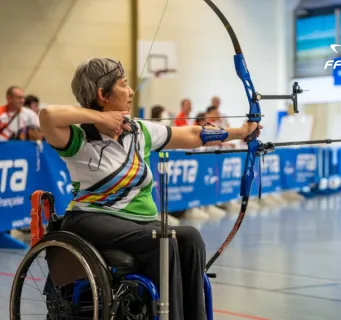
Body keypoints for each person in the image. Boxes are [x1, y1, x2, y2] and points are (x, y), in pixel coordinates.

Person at [38, 57, 260, 320]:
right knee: (159, 240)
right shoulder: (78, 138)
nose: (131, 91)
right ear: (102, 94)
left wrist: (240, 132)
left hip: (138, 223)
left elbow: (191, 134)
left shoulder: (139, 131)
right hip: (91, 218)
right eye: (124, 84)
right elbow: (48, 116)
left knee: (189, 237)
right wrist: (100, 117)